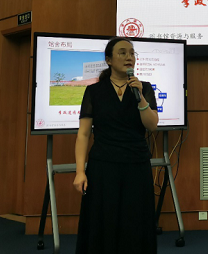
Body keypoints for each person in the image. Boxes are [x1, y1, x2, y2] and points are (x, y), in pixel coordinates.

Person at [74, 37, 159, 253]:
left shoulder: (144, 88)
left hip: (136, 164)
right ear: (109, 60)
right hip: (103, 166)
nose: (129, 57)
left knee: (135, 222)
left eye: (132, 53)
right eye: (122, 52)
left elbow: (152, 125)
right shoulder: (94, 91)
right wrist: (80, 172)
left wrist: (140, 98)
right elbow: (84, 134)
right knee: (104, 220)